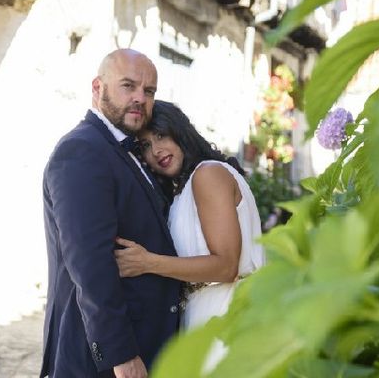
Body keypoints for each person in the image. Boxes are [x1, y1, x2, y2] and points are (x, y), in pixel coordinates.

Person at [41, 50, 181, 378]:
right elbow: (89, 263)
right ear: (97, 87)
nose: (139, 99)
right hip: (102, 359)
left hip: (146, 342)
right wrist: (120, 355)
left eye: (149, 92)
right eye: (128, 86)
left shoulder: (125, 149)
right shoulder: (81, 151)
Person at [114, 100, 266, 335]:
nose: (156, 151)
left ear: (180, 132)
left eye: (161, 135)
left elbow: (227, 266)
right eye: (145, 145)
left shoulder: (208, 174)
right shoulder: (182, 191)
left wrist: (147, 262)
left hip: (227, 316)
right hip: (205, 315)